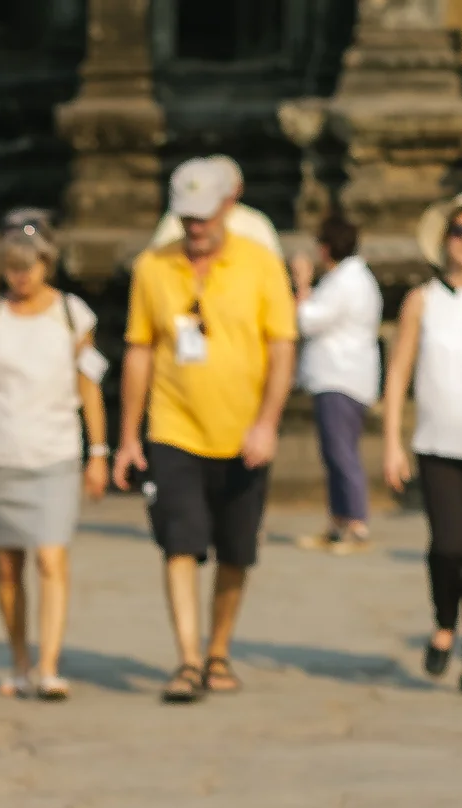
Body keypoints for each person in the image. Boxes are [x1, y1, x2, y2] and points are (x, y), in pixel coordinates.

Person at [112, 158, 298, 703]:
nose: (196, 227)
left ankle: (218, 649)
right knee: (180, 542)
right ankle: (188, 660)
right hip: (174, 427)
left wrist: (267, 423)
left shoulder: (262, 264)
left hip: (243, 432)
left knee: (236, 550)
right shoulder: (153, 266)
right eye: (186, 217)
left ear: (228, 206)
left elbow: (282, 347)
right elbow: (139, 350)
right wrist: (129, 435)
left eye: (205, 215)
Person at [0, 210, 110, 700]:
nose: (21, 276)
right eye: (12, 267)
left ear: (47, 264)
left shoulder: (72, 314)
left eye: (30, 266)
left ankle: (49, 665)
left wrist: (98, 451)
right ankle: (19, 661)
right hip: (3, 452)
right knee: (8, 563)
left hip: (57, 450)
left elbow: (90, 387)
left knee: (51, 557)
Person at [382, 190, 462, 694]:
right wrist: (391, 440)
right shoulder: (423, 300)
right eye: (459, 231)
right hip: (438, 443)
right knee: (449, 546)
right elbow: (399, 372)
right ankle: (445, 621)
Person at [290, 216, 383, 552]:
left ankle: (356, 525)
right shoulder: (350, 279)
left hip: (339, 377)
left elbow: (306, 319)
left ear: (325, 248)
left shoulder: (345, 281)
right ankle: (339, 521)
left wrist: (301, 284)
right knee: (335, 452)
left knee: (342, 454)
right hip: (343, 375)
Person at [147, 155, 283, 259]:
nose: (194, 227)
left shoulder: (255, 223)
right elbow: (158, 260)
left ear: (239, 189)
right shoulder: (176, 218)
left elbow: (272, 266)